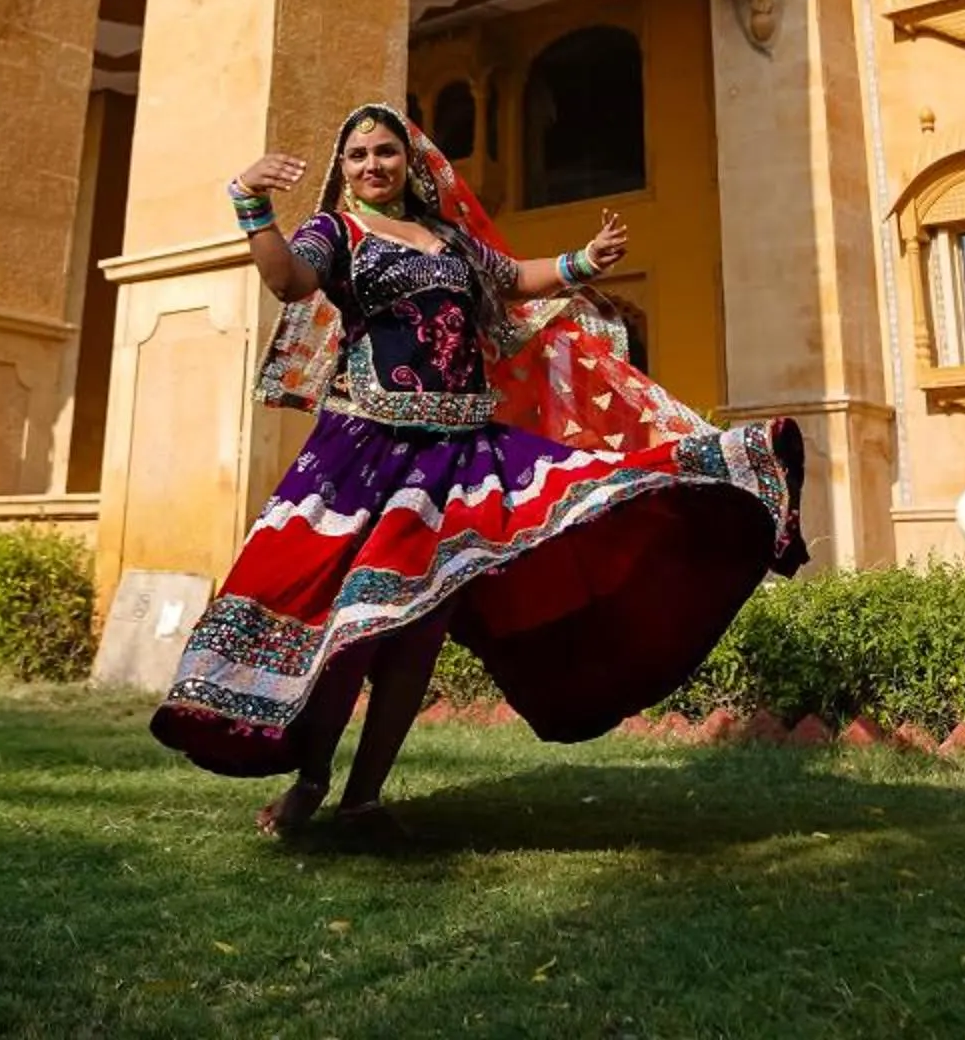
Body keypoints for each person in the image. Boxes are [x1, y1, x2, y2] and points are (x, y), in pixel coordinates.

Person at [148, 103, 807, 837]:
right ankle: (311, 783)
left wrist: (581, 263)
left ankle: (364, 799)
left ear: (413, 161)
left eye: (387, 152)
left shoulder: (450, 239)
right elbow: (288, 283)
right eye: (359, 155)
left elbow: (512, 279)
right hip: (368, 456)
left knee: (419, 634)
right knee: (354, 629)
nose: (373, 165)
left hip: (463, 455)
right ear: (345, 169)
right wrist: (251, 205)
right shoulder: (336, 233)